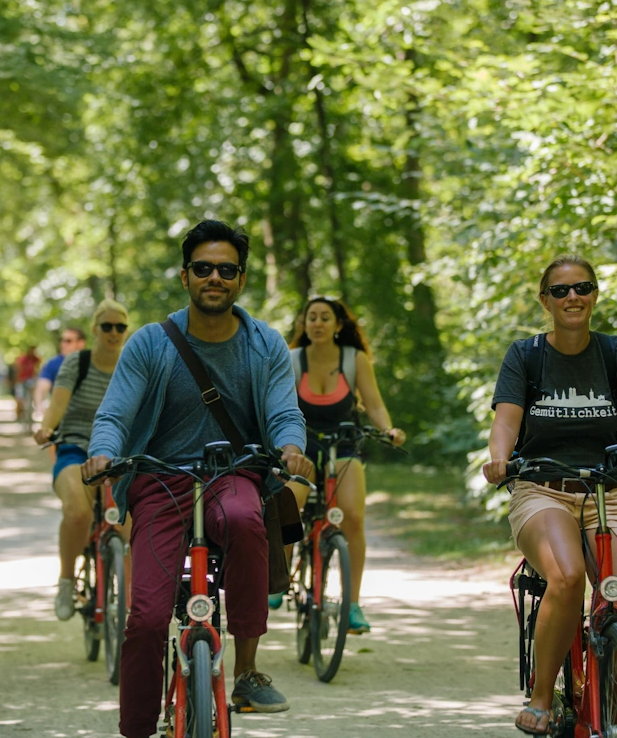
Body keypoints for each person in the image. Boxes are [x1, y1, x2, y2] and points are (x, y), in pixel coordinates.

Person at [83, 220, 312, 738]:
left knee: (246, 520)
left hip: (233, 472)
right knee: (144, 617)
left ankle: (248, 670)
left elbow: (282, 410)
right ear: (185, 276)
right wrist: (103, 454)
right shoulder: (149, 344)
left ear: (241, 280)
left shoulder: (265, 344)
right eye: (204, 268)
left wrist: (291, 448)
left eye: (226, 269)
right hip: (160, 479)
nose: (215, 277)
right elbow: (115, 414)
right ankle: (137, 725)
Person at [480, 254, 617, 736]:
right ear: (545, 301)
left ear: (594, 294)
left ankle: (613, 704)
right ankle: (542, 699)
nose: (572, 297)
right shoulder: (526, 355)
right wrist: (499, 457)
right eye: (560, 291)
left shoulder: (613, 351)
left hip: (608, 490)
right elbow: (506, 419)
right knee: (567, 579)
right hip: (543, 489)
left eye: (582, 288)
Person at [276, 296, 405, 634]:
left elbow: (373, 403)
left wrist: (388, 430)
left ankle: (352, 606)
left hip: (344, 444)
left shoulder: (354, 359)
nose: (317, 323)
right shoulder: (292, 360)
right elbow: (279, 407)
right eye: (311, 318)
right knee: (291, 504)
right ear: (303, 324)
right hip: (302, 445)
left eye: (324, 318)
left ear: (338, 325)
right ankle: (280, 571)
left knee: (353, 515)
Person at [33, 302, 130, 621]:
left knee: (139, 526)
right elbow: (57, 404)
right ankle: (66, 581)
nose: (113, 333)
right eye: (107, 326)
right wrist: (47, 427)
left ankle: (134, 602)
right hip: (75, 448)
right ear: (95, 329)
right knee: (77, 511)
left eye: (120, 327)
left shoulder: (133, 363)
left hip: (120, 456)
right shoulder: (77, 363)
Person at [33, 327, 87, 423]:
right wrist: (39, 408)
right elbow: (42, 388)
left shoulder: (92, 362)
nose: (63, 344)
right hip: (62, 418)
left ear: (81, 343)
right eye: (62, 340)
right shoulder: (53, 364)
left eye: (68, 341)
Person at [12, 345, 41, 422]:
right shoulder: (23, 359)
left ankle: (29, 414)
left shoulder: (35, 359)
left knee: (31, 396)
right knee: (20, 398)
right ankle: (19, 414)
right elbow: (18, 368)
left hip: (31, 379)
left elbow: (38, 367)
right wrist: (17, 378)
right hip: (22, 379)